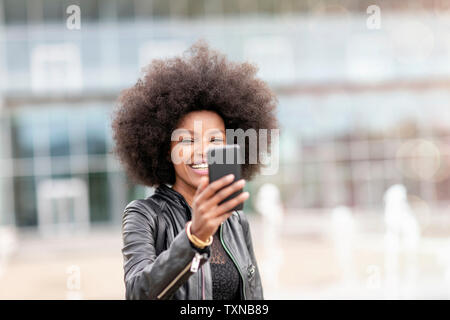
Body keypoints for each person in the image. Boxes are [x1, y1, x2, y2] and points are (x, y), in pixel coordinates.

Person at [111, 40, 278, 300]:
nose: (203, 151)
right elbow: (138, 293)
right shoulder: (145, 216)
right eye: (187, 140)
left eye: (214, 140)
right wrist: (194, 237)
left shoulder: (236, 221)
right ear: (166, 149)